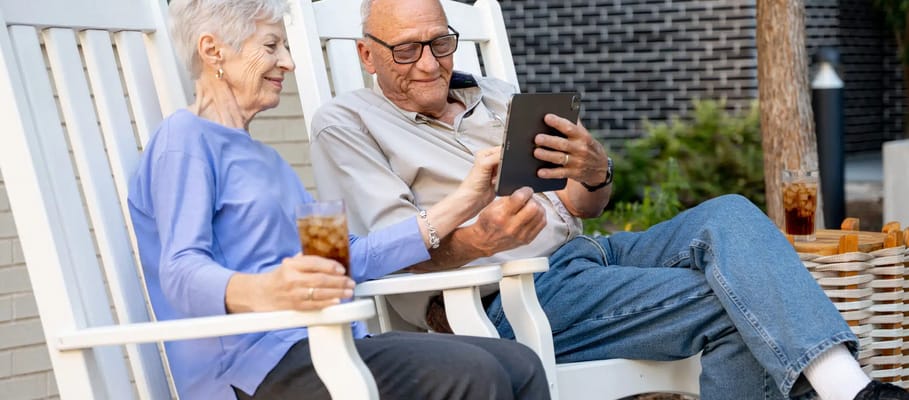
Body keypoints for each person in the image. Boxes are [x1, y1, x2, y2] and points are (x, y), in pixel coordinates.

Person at [308, 0, 909, 399]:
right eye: (407, 50)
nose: (431, 64)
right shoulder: (347, 123)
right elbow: (394, 254)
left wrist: (595, 173)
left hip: (586, 258)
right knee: (730, 301)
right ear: (367, 54)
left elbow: (585, 206)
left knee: (728, 213)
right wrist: (478, 238)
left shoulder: (496, 94)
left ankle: (849, 391)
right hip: (502, 296)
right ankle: (852, 390)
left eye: (441, 44)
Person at [127, 0, 551, 399]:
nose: (288, 62)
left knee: (519, 363)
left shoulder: (266, 159)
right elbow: (180, 272)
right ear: (212, 50)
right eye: (272, 45)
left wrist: (467, 198)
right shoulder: (184, 139)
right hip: (252, 367)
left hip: (328, 339)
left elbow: (348, 258)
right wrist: (269, 289)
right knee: (477, 373)